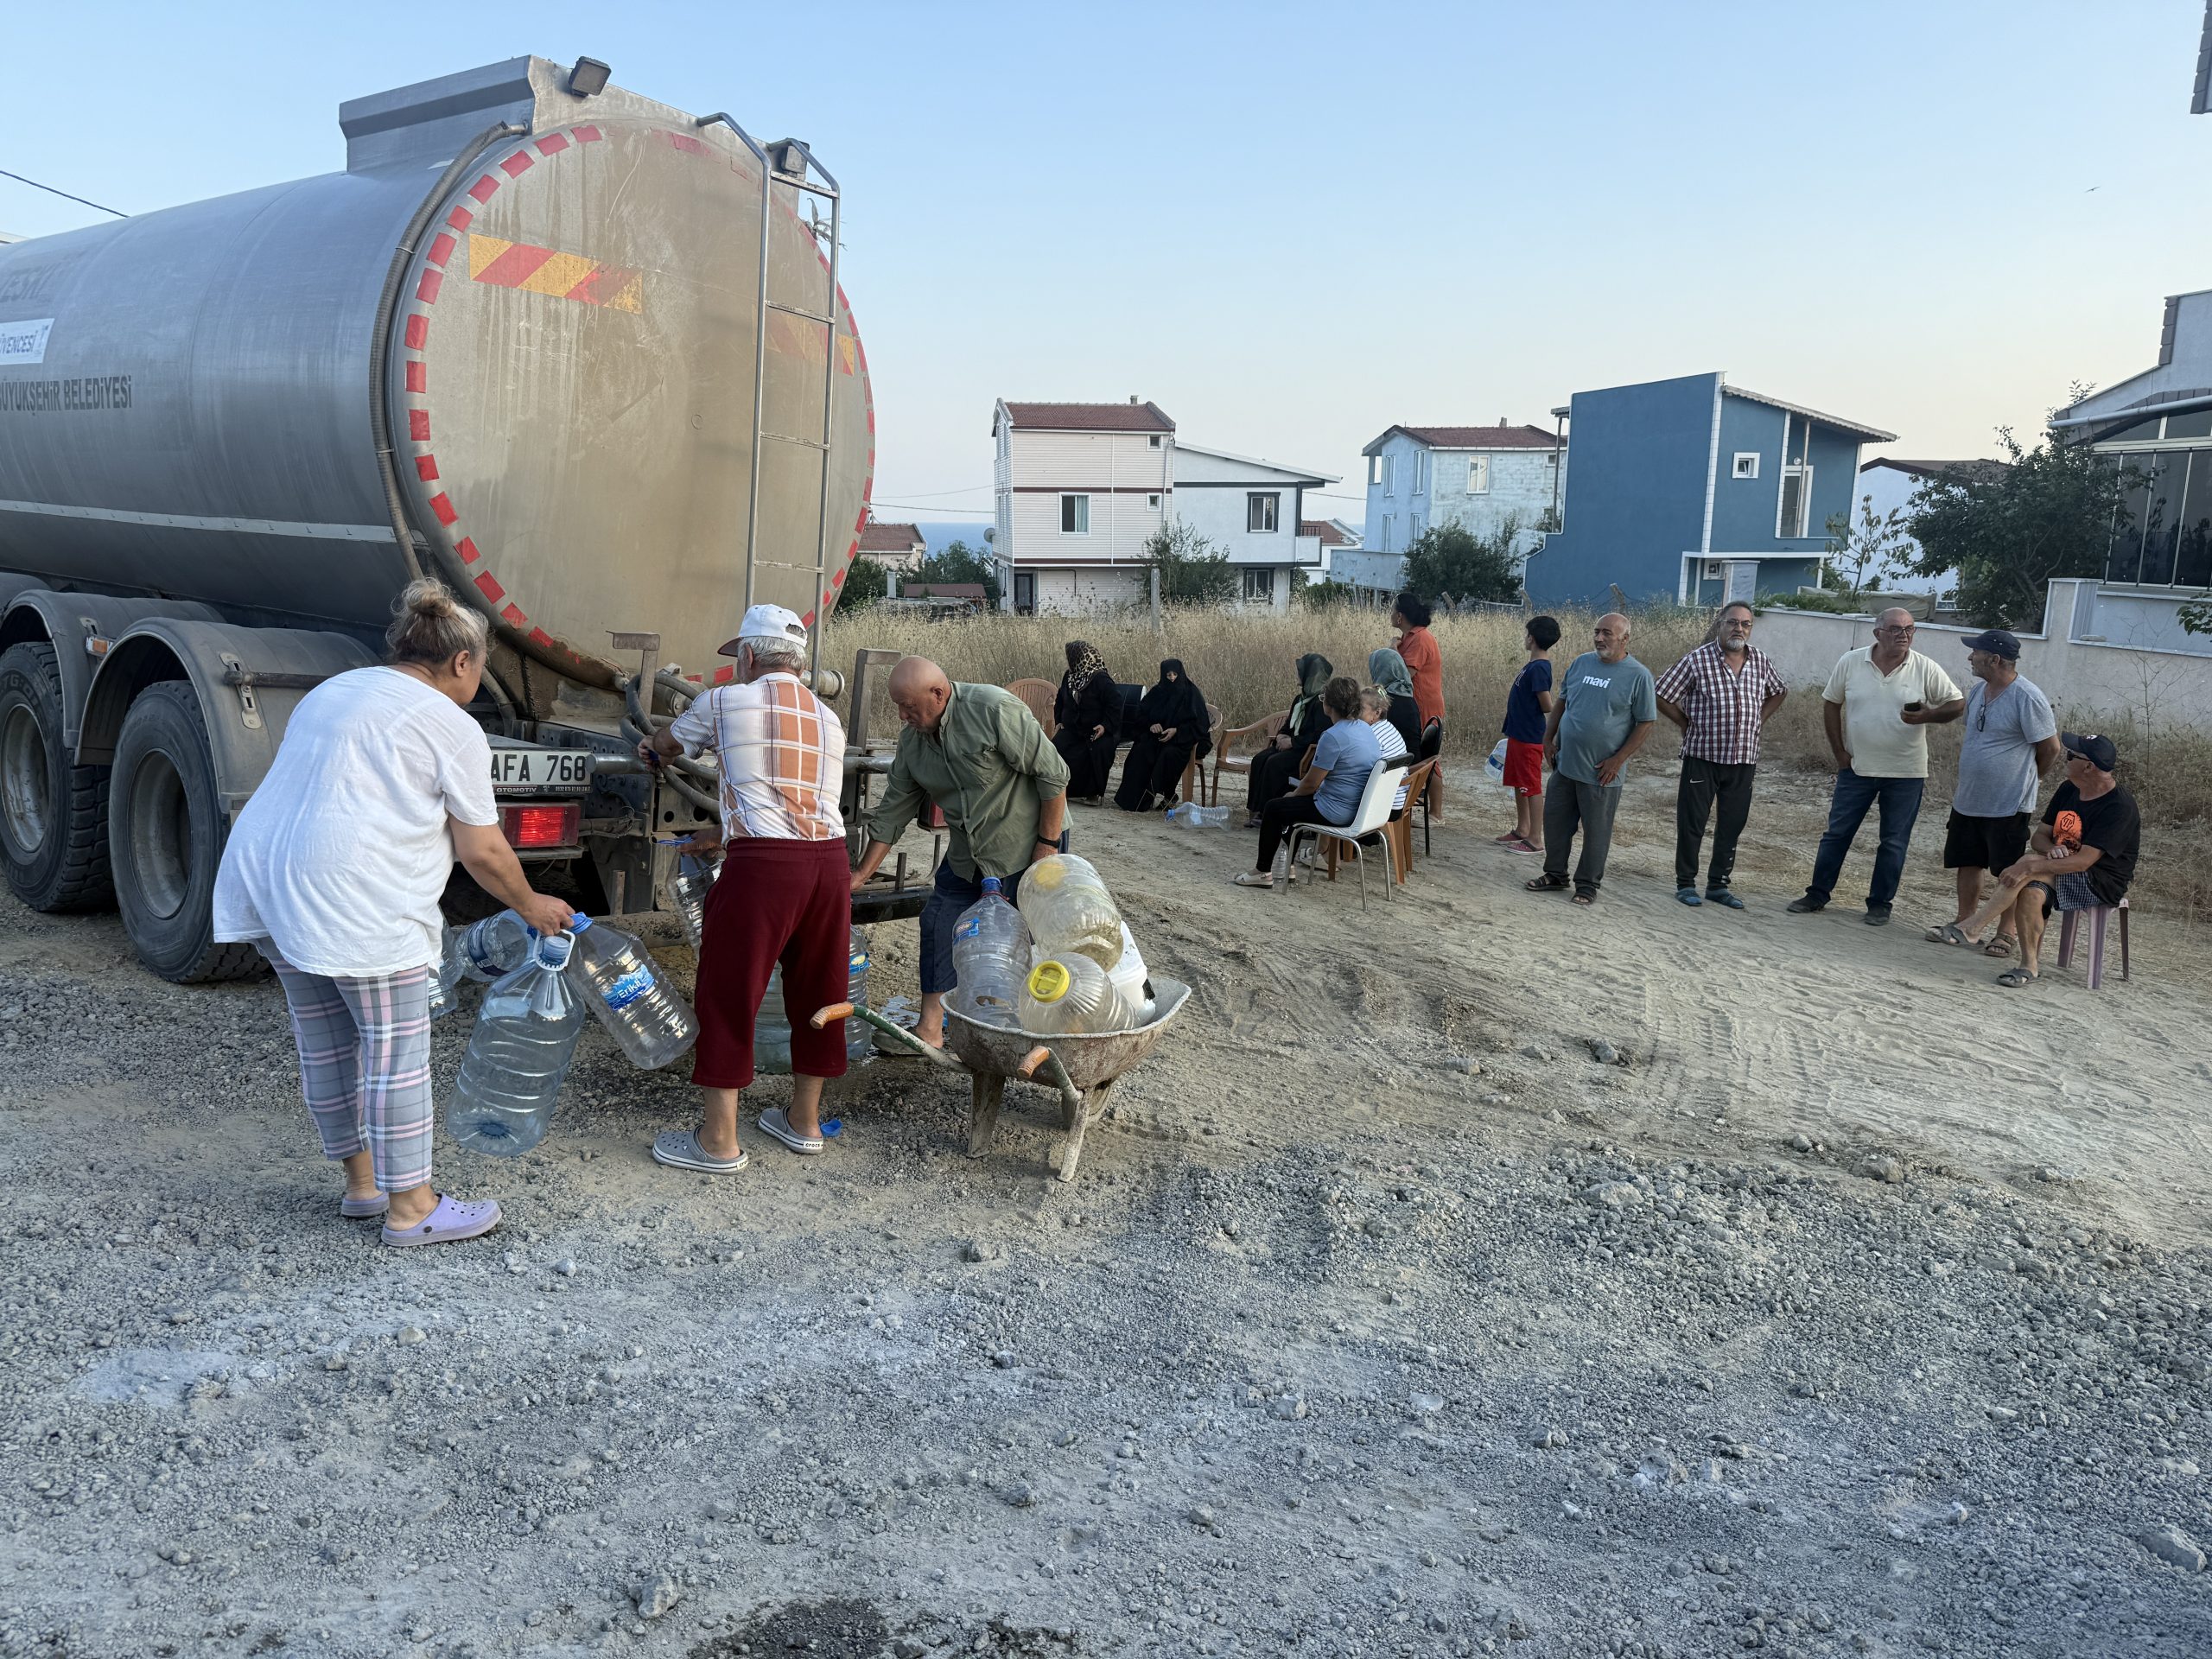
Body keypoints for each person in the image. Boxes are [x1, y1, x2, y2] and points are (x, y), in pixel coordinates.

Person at [212, 580, 574, 1248]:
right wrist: (532, 904)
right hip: (355, 898)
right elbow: (482, 849)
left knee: (327, 1043)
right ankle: (412, 1209)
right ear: (462, 661)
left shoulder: (335, 690)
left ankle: (363, 1187)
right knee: (395, 1055)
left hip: (266, 879)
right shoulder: (451, 725)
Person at [639, 604, 852, 1166]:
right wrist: (724, 829)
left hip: (763, 868)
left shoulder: (724, 701)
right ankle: (804, 1122)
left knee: (728, 991)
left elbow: (669, 745)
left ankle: (718, 1141)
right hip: (830, 863)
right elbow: (790, 798)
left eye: (739, 657)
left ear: (750, 656)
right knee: (821, 990)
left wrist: (650, 746)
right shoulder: (829, 719)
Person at [850, 658, 1069, 1048]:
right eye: (898, 706)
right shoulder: (912, 742)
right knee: (939, 921)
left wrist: (1047, 847)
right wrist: (862, 875)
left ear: (938, 694)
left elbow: (1053, 775)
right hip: (969, 853)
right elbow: (893, 810)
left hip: (1026, 843)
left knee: (1024, 938)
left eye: (908, 706)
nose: (902, 716)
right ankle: (930, 1029)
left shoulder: (993, 710)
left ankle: (1029, 1031)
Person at [1788, 608, 1966, 926]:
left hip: (1906, 773)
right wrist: (1839, 752)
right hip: (1857, 769)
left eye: (1910, 629)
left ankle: (1880, 904)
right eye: (1896, 629)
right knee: (1837, 834)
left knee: (1894, 842)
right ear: (1877, 633)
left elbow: (1957, 704)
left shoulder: (1924, 667)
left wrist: (1927, 716)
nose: (1903, 635)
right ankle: (1817, 895)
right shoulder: (1851, 661)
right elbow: (1831, 704)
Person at [1924, 628, 2060, 958]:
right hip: (1970, 798)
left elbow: (2051, 748)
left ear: (1995, 659)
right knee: (1968, 862)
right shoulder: (1977, 692)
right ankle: (1964, 923)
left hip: (2008, 802)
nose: (1970, 657)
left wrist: (2030, 779)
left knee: (2007, 870)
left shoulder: (2027, 697)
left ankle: (2005, 933)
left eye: (1976, 652)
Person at [1654, 601, 1789, 909]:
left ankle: (1718, 886)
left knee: (1732, 823)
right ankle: (1686, 884)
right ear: (1720, 624)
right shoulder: (1697, 660)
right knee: (1693, 823)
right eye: (1732, 622)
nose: (1738, 629)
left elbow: (1779, 691)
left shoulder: (1760, 661)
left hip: (1743, 758)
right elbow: (1661, 693)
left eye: (1745, 624)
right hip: (1703, 755)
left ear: (1750, 628)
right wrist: (1685, 723)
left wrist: (1759, 719)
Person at [1524, 613, 1656, 906]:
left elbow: (1646, 722)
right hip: (1566, 764)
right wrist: (1548, 739)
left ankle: (1587, 885)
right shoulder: (1581, 664)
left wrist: (1618, 760)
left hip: (1601, 772)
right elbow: (1562, 702)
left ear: (1625, 638)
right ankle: (1555, 874)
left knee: (1596, 833)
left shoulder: (1638, 675)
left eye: (1607, 633)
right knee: (1555, 823)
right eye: (1597, 632)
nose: (1599, 638)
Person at [1993, 733, 2139, 989]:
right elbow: (2039, 837)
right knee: (2031, 891)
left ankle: (1973, 927)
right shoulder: (2068, 789)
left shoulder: (2119, 806)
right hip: (2059, 870)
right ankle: (2029, 965)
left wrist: (2031, 865)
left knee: (2027, 866)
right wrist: (2052, 850)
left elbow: (2083, 862)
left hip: (2099, 881)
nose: (2065, 758)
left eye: (2071, 755)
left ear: (2088, 766)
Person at [1233, 677, 1380, 888]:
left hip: (1337, 811)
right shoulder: (1365, 729)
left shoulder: (1333, 736)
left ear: (1328, 705)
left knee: (1275, 808)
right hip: (1360, 809)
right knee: (1292, 806)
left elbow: (1311, 784)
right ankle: (1287, 867)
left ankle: (1262, 871)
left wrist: (1293, 795)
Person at [1495, 615, 1560, 855]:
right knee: (1519, 782)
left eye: (1526, 634)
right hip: (1518, 733)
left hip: (1530, 737)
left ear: (1531, 638)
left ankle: (1535, 839)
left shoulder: (1540, 667)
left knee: (1531, 787)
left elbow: (1547, 704)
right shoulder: (1533, 665)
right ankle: (1522, 829)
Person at [1243, 652, 1333, 824]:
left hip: (1305, 752)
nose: (1297, 674)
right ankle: (1255, 810)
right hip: (1290, 746)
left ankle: (1267, 812)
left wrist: (1292, 742)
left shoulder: (1321, 702)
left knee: (1274, 764)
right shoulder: (1300, 699)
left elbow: (1319, 735)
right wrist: (1281, 735)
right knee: (1259, 759)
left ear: (1310, 675)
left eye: (1301, 671)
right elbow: (1288, 725)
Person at [1114, 658, 1210, 811]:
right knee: (1141, 750)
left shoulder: (1191, 693)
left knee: (1168, 755)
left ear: (1180, 674)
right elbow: (1141, 714)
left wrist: (1177, 731)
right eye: (1168, 675)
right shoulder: (1157, 692)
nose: (1172, 678)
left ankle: (1169, 796)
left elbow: (1200, 724)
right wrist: (1151, 724)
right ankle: (1134, 801)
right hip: (1156, 738)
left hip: (1181, 740)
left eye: (1175, 675)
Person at [1391, 593, 1447, 823]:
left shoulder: (1421, 638)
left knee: (1428, 756)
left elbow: (1405, 675)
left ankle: (1436, 814)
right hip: (1412, 704)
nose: (1390, 614)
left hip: (1423, 704)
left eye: (1392, 610)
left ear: (1400, 615)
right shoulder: (1409, 637)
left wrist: (1392, 649)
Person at [1052, 640, 1120, 805]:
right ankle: (1063, 790)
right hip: (1074, 729)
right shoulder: (1070, 676)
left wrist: (1105, 725)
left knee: (1098, 749)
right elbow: (1060, 699)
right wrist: (1059, 720)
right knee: (1057, 746)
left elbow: (1115, 704)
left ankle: (1092, 793)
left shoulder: (1100, 678)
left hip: (1098, 729)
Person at [1358, 686, 1414, 816]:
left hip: (1384, 804)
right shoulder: (1388, 728)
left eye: (1360, 709)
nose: (1355, 713)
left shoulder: (1371, 736)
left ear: (1377, 713)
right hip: (1397, 798)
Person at [1367, 648, 1422, 749]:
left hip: (1398, 758)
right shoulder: (1407, 696)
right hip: (1413, 756)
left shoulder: (1383, 702)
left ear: (1379, 668)